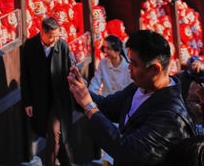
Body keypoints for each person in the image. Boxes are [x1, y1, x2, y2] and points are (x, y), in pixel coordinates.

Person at [68, 29, 193, 166]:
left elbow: (127, 150)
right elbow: (108, 106)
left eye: (134, 64)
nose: (129, 69)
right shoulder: (139, 88)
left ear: (155, 69)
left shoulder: (170, 117)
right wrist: (79, 90)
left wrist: (89, 106)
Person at [22, 16, 74, 166]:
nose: (55, 39)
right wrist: (28, 102)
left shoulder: (62, 46)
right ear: (42, 33)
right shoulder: (31, 46)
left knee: (54, 133)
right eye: (51, 37)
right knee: (58, 138)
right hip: (40, 99)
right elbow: (25, 77)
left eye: (57, 36)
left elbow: (70, 69)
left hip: (60, 99)